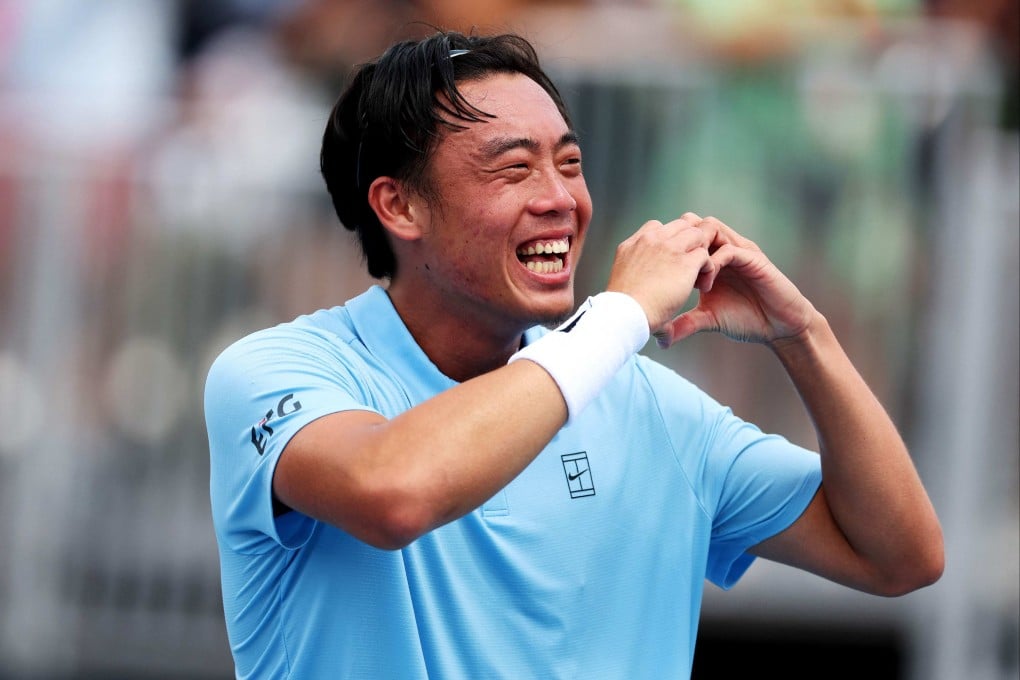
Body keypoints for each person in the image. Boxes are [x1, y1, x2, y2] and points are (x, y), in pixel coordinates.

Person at [204, 30, 944, 679]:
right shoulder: (275, 372)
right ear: (399, 206)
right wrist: (618, 316)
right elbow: (396, 492)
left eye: (570, 162)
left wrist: (804, 336)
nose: (562, 198)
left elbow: (901, 556)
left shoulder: (651, 405)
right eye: (515, 168)